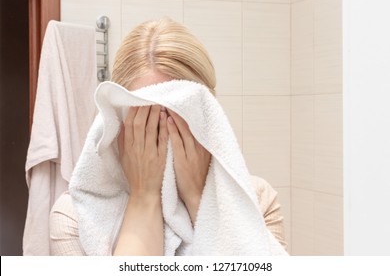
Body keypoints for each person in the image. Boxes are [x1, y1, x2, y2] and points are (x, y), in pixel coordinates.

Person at [49, 18, 287, 256]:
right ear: (116, 118)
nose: (160, 132)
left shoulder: (257, 201)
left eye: (177, 113)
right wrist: (144, 197)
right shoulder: (74, 218)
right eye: (146, 118)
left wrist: (198, 199)